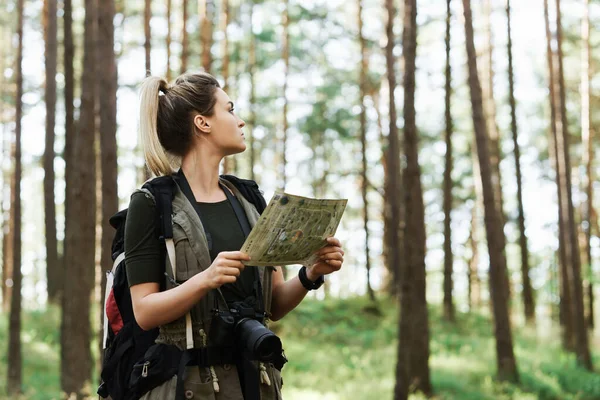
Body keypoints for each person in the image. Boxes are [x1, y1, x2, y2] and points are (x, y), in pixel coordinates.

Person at [125, 71, 345, 400]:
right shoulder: (151, 203)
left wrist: (311, 274)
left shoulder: (250, 201)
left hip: (257, 384)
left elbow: (275, 303)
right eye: (229, 109)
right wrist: (206, 278)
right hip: (187, 387)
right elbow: (144, 312)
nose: (240, 121)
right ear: (203, 123)